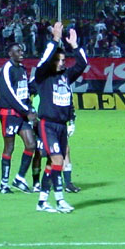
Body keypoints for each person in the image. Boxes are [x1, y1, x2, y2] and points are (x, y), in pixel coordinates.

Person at [34, 22, 87, 213]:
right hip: (48, 125)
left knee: (51, 164)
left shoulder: (66, 76)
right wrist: (55, 39)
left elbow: (83, 64)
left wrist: (75, 45)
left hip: (61, 126)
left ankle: (41, 201)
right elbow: (44, 59)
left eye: (64, 60)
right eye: (59, 60)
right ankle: (60, 200)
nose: (62, 63)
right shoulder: (43, 76)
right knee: (57, 160)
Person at [0, 43, 37, 194]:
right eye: (18, 51)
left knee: (31, 144)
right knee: (9, 147)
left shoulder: (22, 69)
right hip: (9, 113)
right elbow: (9, 94)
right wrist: (27, 111)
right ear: (10, 53)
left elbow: (25, 90)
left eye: (22, 50)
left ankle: (19, 178)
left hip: (21, 113)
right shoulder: (7, 69)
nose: (22, 53)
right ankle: (3, 184)